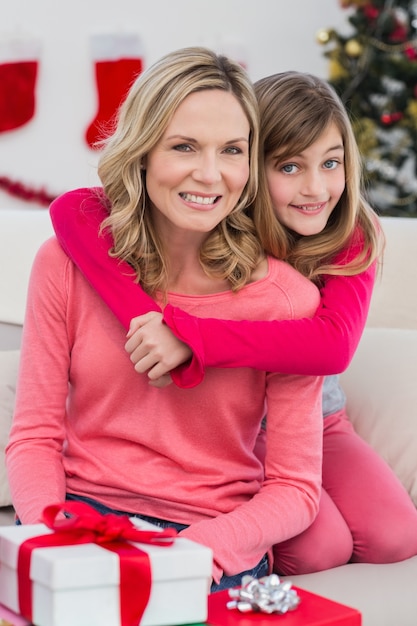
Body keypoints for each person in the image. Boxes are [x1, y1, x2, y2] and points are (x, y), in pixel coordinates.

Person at [50, 69, 417, 574]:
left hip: (320, 420)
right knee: (316, 548)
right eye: (288, 167)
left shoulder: (352, 229)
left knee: (396, 536)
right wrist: (147, 319)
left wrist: (189, 337)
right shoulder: (219, 219)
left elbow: (331, 347)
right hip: (239, 427)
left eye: (331, 163)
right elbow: (74, 208)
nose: (314, 188)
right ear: (249, 163)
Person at [6, 48, 324, 592]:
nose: (209, 173)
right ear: (144, 152)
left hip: (212, 540)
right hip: (82, 520)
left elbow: (297, 490)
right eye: (183, 147)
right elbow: (33, 436)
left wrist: (196, 552)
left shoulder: (286, 300)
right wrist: (51, 531)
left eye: (232, 151)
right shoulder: (63, 264)